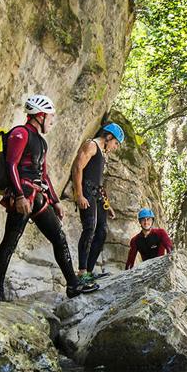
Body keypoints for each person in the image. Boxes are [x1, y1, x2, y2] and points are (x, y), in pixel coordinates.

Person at [0, 94, 98, 301]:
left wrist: (55, 201)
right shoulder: (20, 134)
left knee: (59, 237)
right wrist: (20, 196)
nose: (52, 121)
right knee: (9, 243)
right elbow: (11, 165)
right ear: (40, 115)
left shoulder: (41, 142)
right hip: (22, 199)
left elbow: (44, 175)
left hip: (37, 198)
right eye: (50, 117)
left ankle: (73, 286)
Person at [70, 122, 124, 285]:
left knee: (102, 231)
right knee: (89, 228)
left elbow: (98, 183)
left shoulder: (101, 152)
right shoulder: (91, 145)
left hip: (96, 195)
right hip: (86, 192)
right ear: (108, 137)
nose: (115, 147)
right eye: (115, 143)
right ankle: (82, 272)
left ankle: (90, 271)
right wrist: (79, 195)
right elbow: (78, 168)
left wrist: (107, 205)